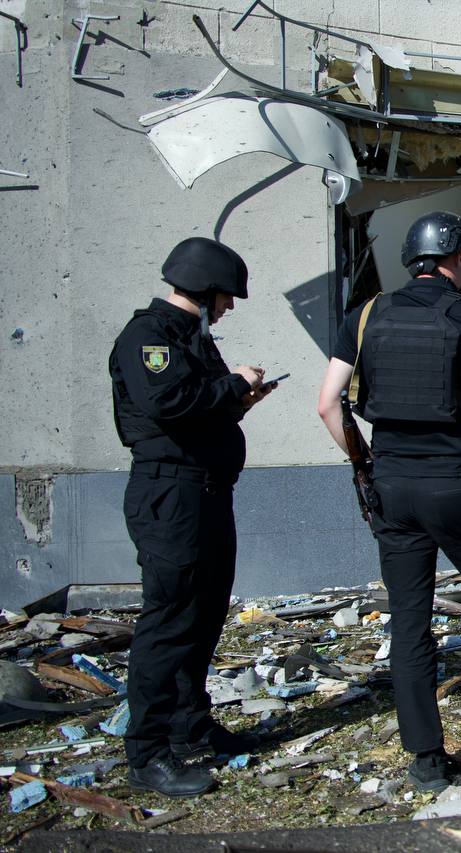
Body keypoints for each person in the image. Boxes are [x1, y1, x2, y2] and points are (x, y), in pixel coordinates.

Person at [316, 211, 461, 794]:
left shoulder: (363, 316)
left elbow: (327, 404)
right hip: (457, 484)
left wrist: (365, 463)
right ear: (459, 258)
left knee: (409, 618)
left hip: (391, 485)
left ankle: (425, 758)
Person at [109, 237, 272, 797]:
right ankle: (148, 751)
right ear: (204, 289)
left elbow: (203, 401)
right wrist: (232, 385)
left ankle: (189, 726)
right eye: (225, 297)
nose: (228, 307)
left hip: (206, 493)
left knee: (203, 615)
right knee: (170, 619)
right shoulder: (149, 337)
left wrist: (238, 399)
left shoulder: (194, 339)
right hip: (169, 498)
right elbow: (170, 401)